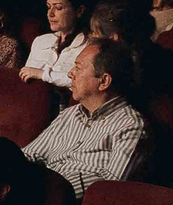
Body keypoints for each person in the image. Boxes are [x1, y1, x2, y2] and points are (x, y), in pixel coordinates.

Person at [21, 41, 154, 194]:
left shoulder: (131, 127)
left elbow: (108, 191)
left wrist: (48, 191)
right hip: (31, 191)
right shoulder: (71, 113)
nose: (70, 73)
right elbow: (30, 154)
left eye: (78, 67)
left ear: (103, 81)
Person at [20, 0, 94, 88]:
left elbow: (82, 82)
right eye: (48, 7)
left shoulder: (89, 46)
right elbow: (25, 77)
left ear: (79, 11)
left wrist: (43, 74)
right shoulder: (40, 41)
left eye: (58, 8)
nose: (50, 14)